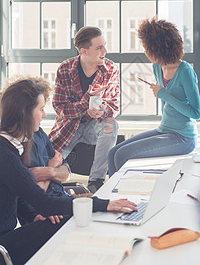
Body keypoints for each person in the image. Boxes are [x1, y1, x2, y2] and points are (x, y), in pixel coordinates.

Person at [0, 77, 136, 265]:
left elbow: (18, 194)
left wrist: (34, 215)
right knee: (72, 228)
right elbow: (41, 200)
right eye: (40, 109)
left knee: (72, 226)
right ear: (24, 112)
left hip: (7, 238)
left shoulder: (12, 146)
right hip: (3, 247)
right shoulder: (5, 153)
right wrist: (103, 204)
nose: (44, 115)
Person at [108, 17, 200, 177]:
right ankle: (109, 201)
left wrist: (164, 94)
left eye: (146, 47)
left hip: (183, 137)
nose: (145, 51)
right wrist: (162, 93)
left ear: (157, 47)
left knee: (122, 155)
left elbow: (196, 113)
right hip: (164, 129)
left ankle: (118, 197)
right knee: (113, 153)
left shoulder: (185, 72)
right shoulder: (157, 67)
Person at [49, 26, 120, 193]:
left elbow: (114, 106)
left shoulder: (110, 69)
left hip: (94, 128)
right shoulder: (65, 69)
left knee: (111, 124)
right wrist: (85, 105)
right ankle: (55, 186)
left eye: (105, 45)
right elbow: (59, 108)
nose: (105, 51)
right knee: (49, 162)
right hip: (68, 128)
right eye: (99, 48)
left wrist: (102, 111)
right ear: (84, 51)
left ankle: (96, 180)